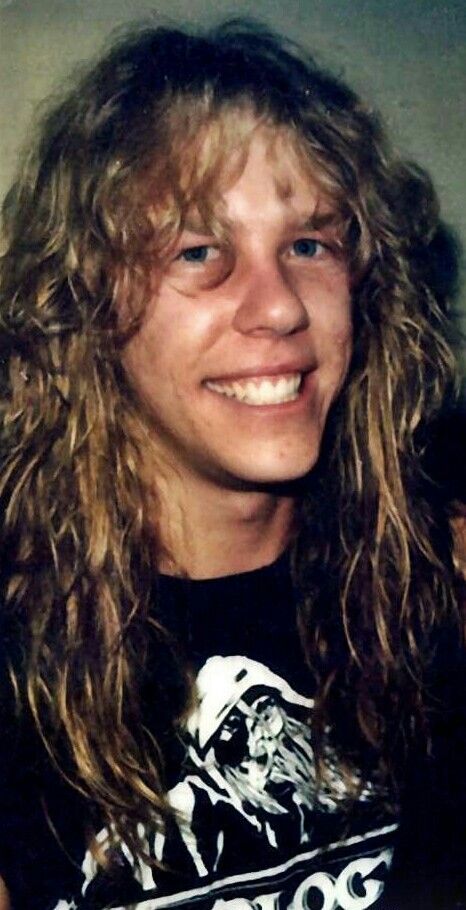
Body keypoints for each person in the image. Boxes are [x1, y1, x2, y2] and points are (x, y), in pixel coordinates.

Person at [0, 18, 464, 910]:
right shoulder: (21, 660)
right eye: (198, 252)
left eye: (309, 245)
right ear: (86, 305)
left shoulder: (427, 583)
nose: (280, 307)